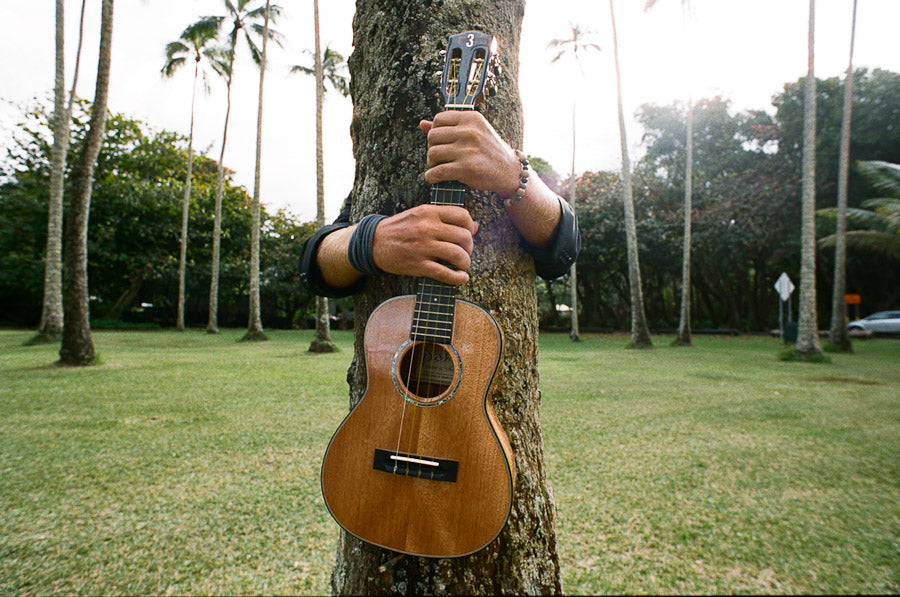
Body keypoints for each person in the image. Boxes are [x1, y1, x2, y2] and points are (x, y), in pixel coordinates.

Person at [299, 109, 579, 298]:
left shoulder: (504, 157)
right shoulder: (380, 173)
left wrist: (514, 173)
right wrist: (370, 240)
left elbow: (563, 250)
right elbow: (314, 264)